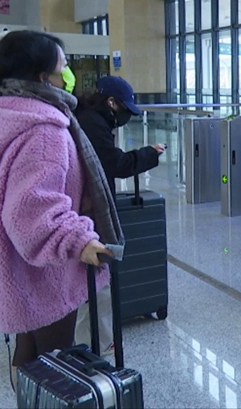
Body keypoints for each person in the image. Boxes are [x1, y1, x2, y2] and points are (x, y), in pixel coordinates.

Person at [0, 30, 117, 388]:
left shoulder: (4, 115)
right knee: (56, 366)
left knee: (29, 352)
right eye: (63, 67)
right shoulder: (45, 131)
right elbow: (33, 211)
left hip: (15, 266)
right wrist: (80, 241)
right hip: (46, 272)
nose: (68, 74)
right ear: (42, 76)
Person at [72, 75, 165, 354]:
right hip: (90, 211)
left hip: (86, 207)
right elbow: (116, 164)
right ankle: (97, 345)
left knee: (93, 280)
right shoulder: (93, 123)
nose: (126, 115)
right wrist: (149, 154)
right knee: (98, 279)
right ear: (111, 102)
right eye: (125, 108)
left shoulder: (88, 117)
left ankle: (90, 341)